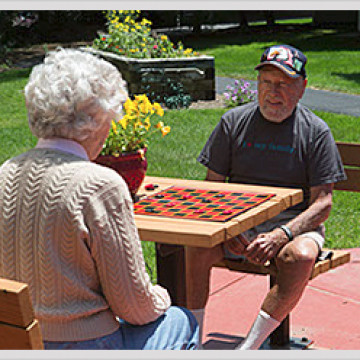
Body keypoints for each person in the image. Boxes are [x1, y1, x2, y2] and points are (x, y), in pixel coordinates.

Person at [0, 48, 198, 350]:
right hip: (86, 345)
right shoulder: (99, 186)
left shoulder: (5, 173)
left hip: (15, 341)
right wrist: (163, 295)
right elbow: (134, 307)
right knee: (181, 321)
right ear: (95, 121)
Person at [192, 44, 346, 349]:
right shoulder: (232, 123)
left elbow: (323, 203)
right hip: (237, 221)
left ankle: (249, 348)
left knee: (299, 256)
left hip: (294, 226)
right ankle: (190, 341)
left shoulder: (315, 132)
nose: (273, 92)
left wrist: (282, 234)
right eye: (266, 83)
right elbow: (212, 189)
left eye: (284, 84)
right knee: (192, 250)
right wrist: (228, 229)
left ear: (301, 88)